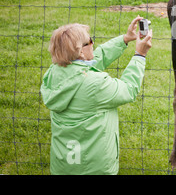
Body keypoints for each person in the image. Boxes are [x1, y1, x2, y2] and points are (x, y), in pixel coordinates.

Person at [40, 16, 152, 175]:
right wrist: (140, 55)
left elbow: (91, 61)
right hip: (95, 168)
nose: (93, 43)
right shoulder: (95, 83)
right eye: (90, 41)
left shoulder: (54, 73)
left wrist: (125, 39)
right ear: (80, 50)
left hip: (63, 165)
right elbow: (128, 89)